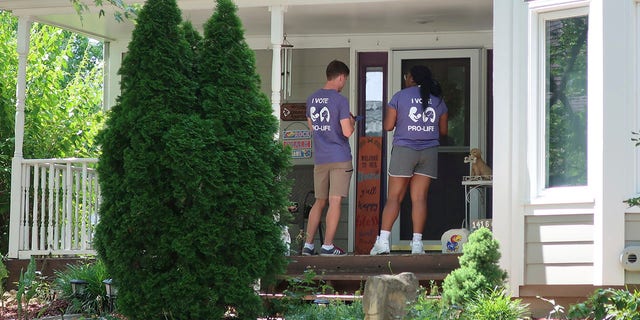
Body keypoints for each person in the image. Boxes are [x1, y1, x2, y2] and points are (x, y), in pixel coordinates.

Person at [370, 65, 448, 255]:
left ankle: (383, 243)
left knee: (394, 197)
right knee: (419, 198)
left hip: (404, 149)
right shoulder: (438, 101)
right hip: (428, 152)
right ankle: (417, 244)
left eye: (407, 76)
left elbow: (388, 126)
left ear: (411, 78)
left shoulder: (400, 96)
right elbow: (443, 131)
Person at [302, 60, 355, 256]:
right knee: (334, 201)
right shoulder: (340, 100)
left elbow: (312, 127)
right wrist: (352, 122)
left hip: (321, 158)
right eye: (345, 80)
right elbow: (347, 132)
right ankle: (327, 246)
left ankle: (308, 245)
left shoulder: (311, 98)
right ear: (341, 77)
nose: (344, 84)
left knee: (319, 201)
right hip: (339, 157)